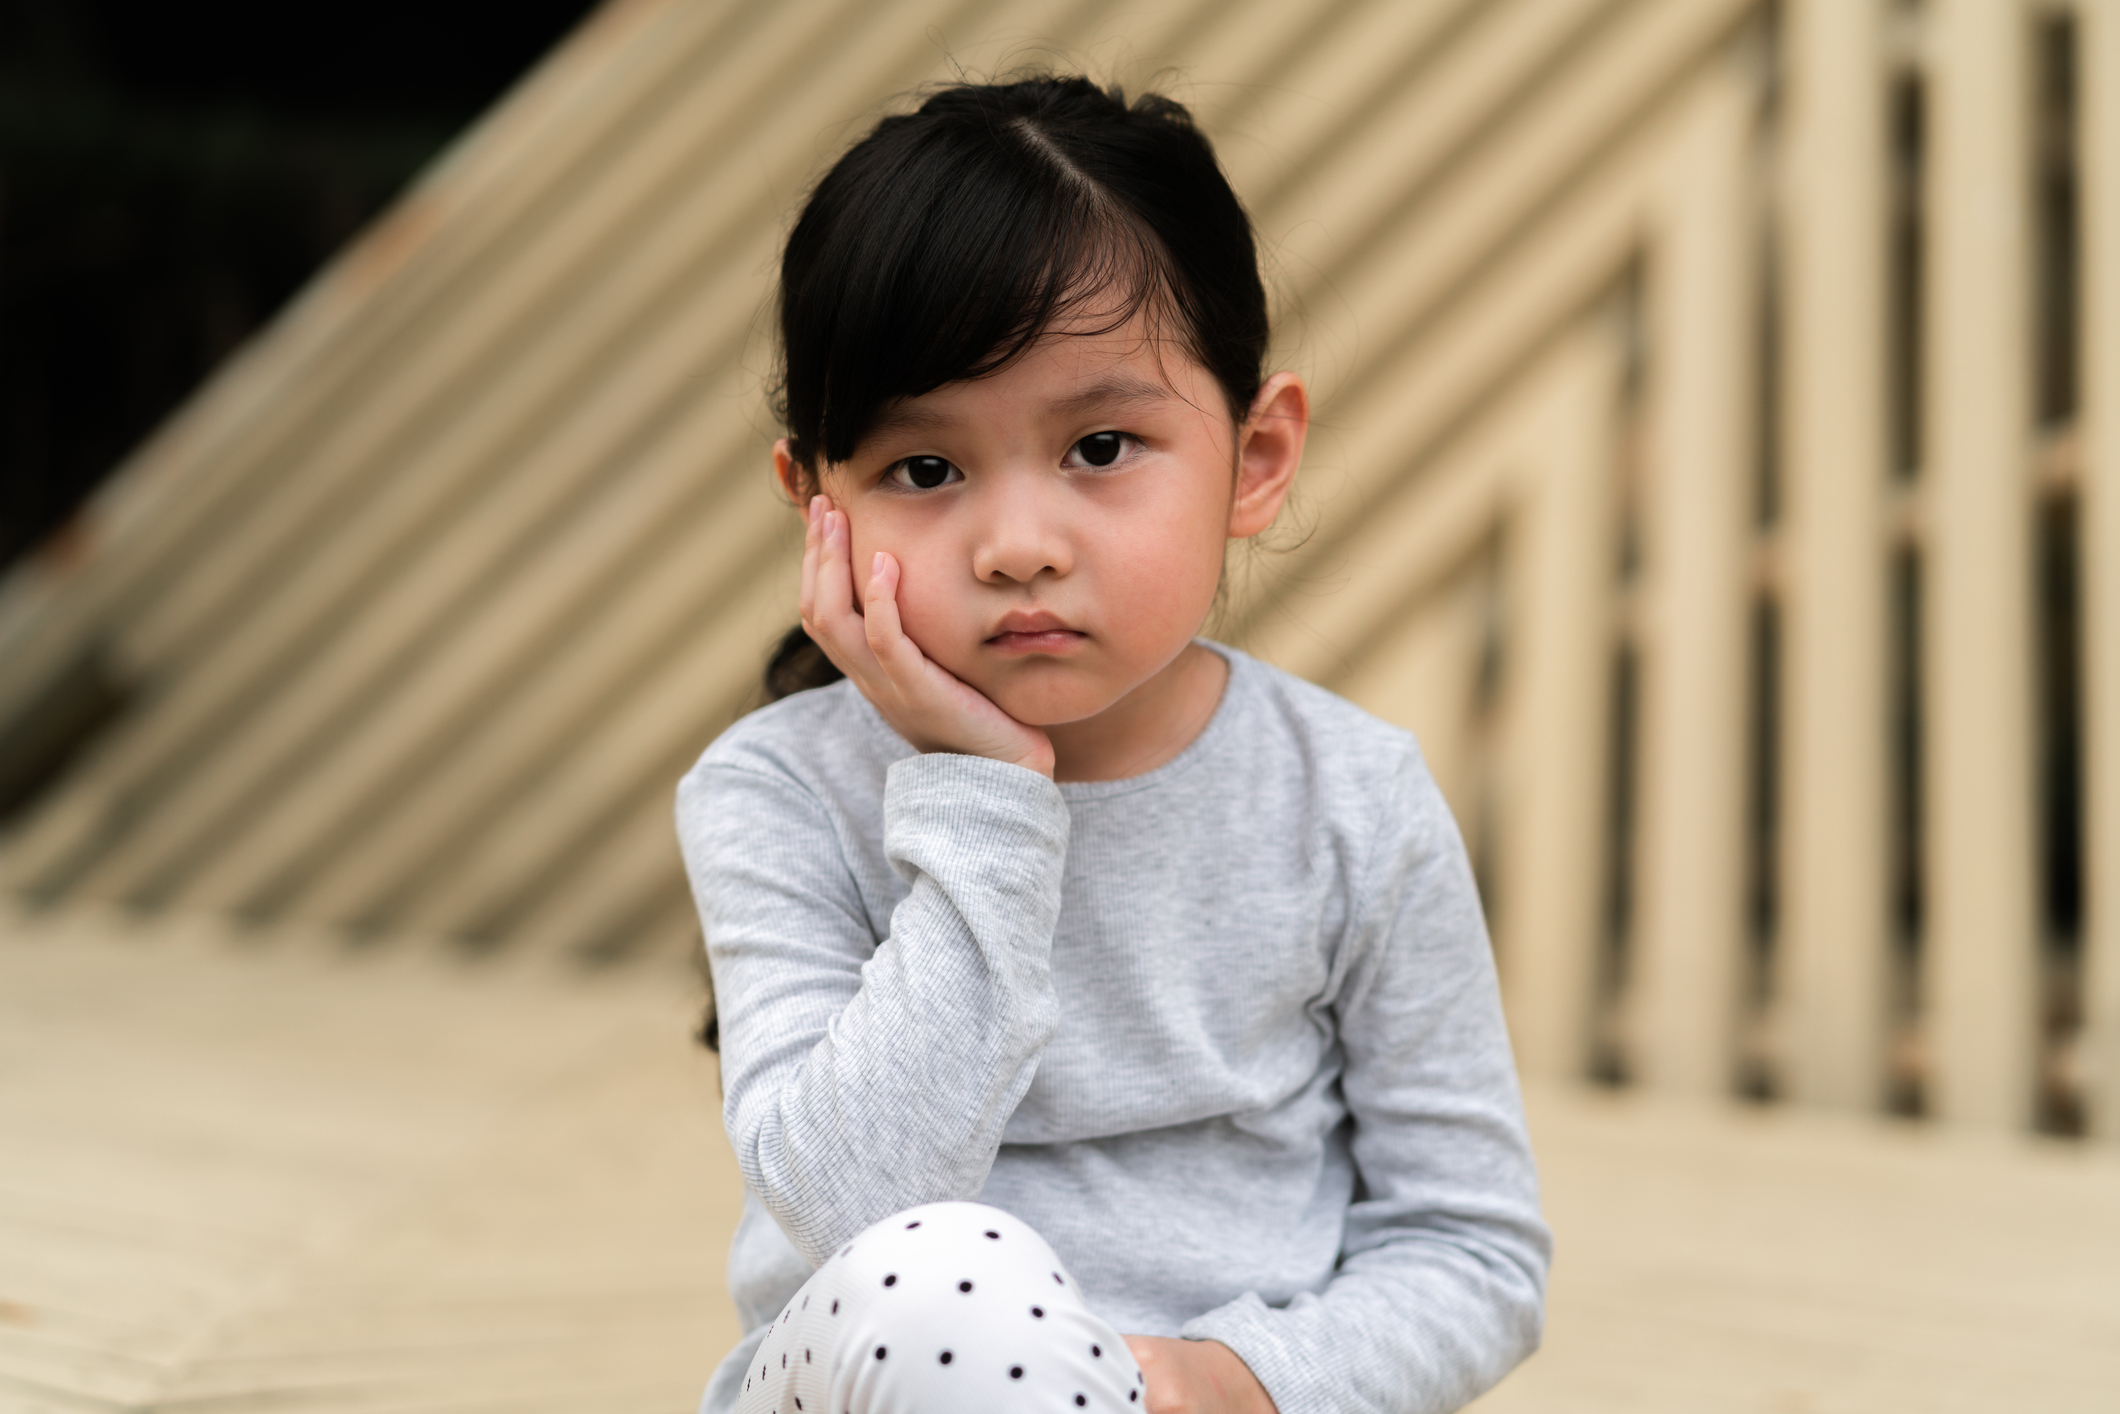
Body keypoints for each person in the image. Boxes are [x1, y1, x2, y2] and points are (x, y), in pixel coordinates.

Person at [676, 74, 1549, 1414]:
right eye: (926, 469)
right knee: (936, 1277)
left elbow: (1473, 1245)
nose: (1019, 541)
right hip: (886, 1367)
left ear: (1256, 457)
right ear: (818, 506)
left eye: (1099, 444)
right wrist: (981, 797)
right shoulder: (779, 793)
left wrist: (1239, 1377)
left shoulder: (1349, 799)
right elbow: (848, 1210)